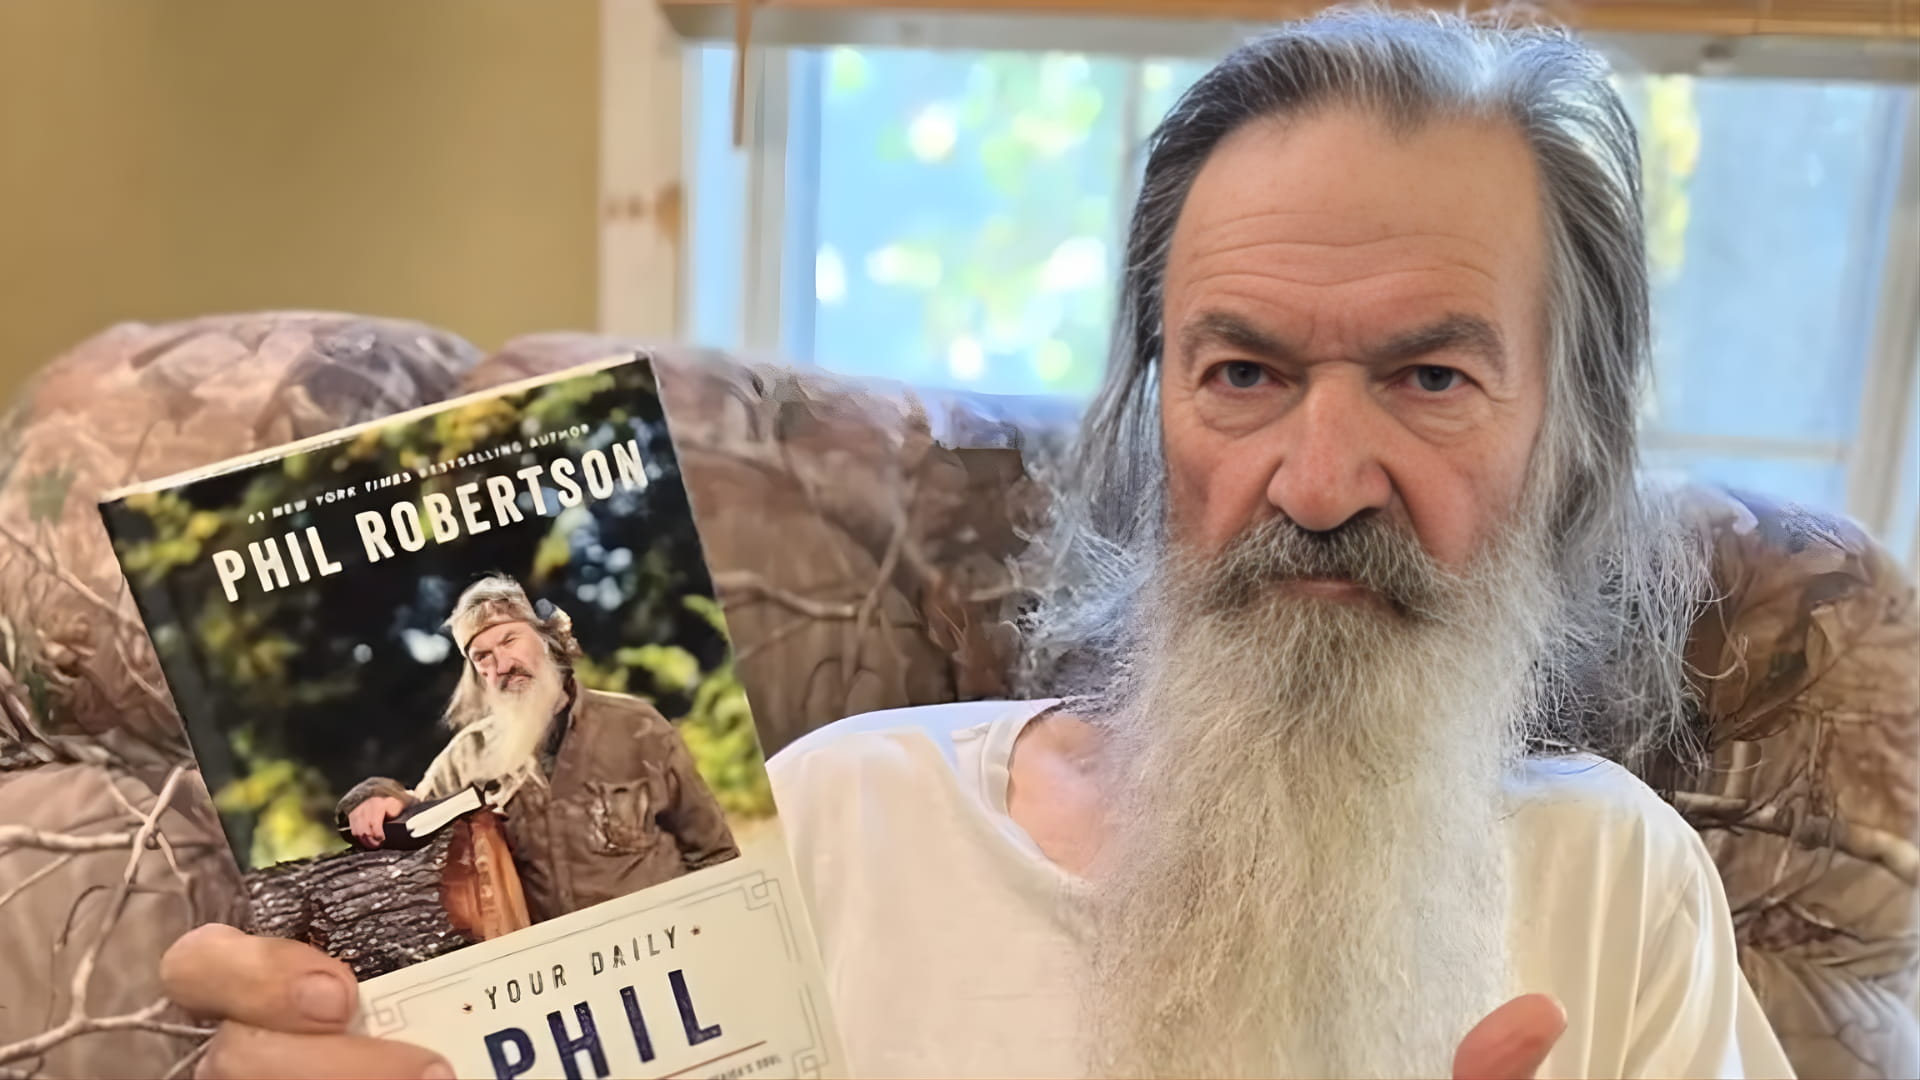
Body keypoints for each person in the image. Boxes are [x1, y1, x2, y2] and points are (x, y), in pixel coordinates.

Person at [160, 7, 1796, 1078]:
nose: (1316, 480)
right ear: (1156, 421)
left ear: (1559, 436)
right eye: (1243, 372)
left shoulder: (1612, 884)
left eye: (1432, 377)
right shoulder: (837, 825)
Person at [336, 573, 738, 922]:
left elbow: (714, 853)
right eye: (482, 657)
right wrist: (374, 796)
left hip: (665, 942)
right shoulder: (468, 756)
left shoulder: (636, 726)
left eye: (510, 640)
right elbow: (411, 813)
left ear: (546, 641)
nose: (502, 664)